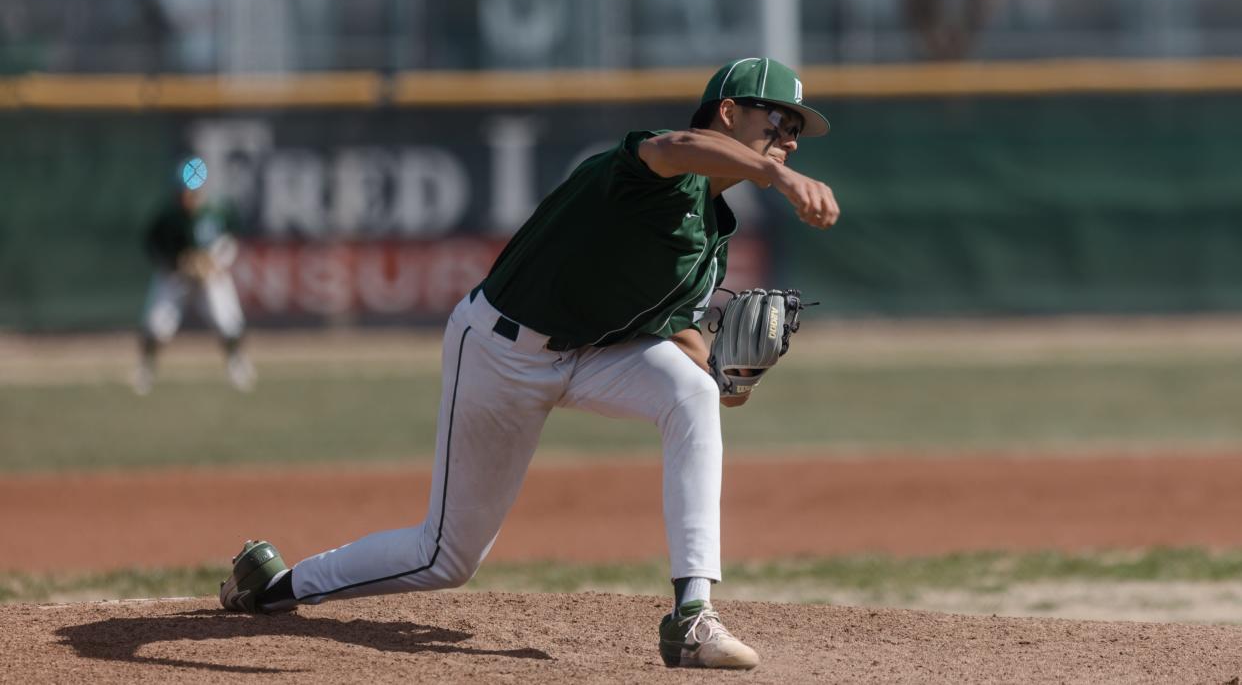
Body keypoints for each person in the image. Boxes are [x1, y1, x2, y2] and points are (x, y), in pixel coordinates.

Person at [219, 57, 839, 670]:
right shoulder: (654, 169)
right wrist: (774, 177)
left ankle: (692, 617)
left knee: (692, 397)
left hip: (591, 356)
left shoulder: (710, 240)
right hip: (500, 351)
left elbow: (676, 330)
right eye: (777, 120)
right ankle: (273, 587)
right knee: (445, 560)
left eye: (794, 132)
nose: (787, 139)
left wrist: (730, 382)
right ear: (728, 112)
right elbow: (678, 144)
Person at [131, 179, 256, 395]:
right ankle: (145, 369)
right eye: (185, 193)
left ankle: (237, 365)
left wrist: (217, 263)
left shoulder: (217, 211)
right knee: (156, 324)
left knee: (228, 321)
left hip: (210, 277)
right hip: (175, 278)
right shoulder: (168, 217)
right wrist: (177, 263)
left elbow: (230, 241)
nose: (189, 198)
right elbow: (153, 247)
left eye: (193, 193)